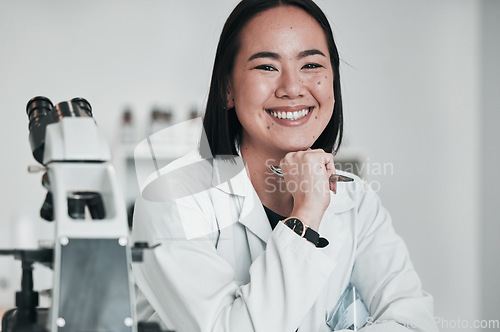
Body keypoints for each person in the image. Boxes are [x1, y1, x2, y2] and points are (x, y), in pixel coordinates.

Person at [132, 0, 438, 331]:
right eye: (266, 67)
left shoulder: (357, 201)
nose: (292, 88)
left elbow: (413, 322)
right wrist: (306, 213)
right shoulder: (174, 199)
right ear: (226, 89)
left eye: (311, 66)